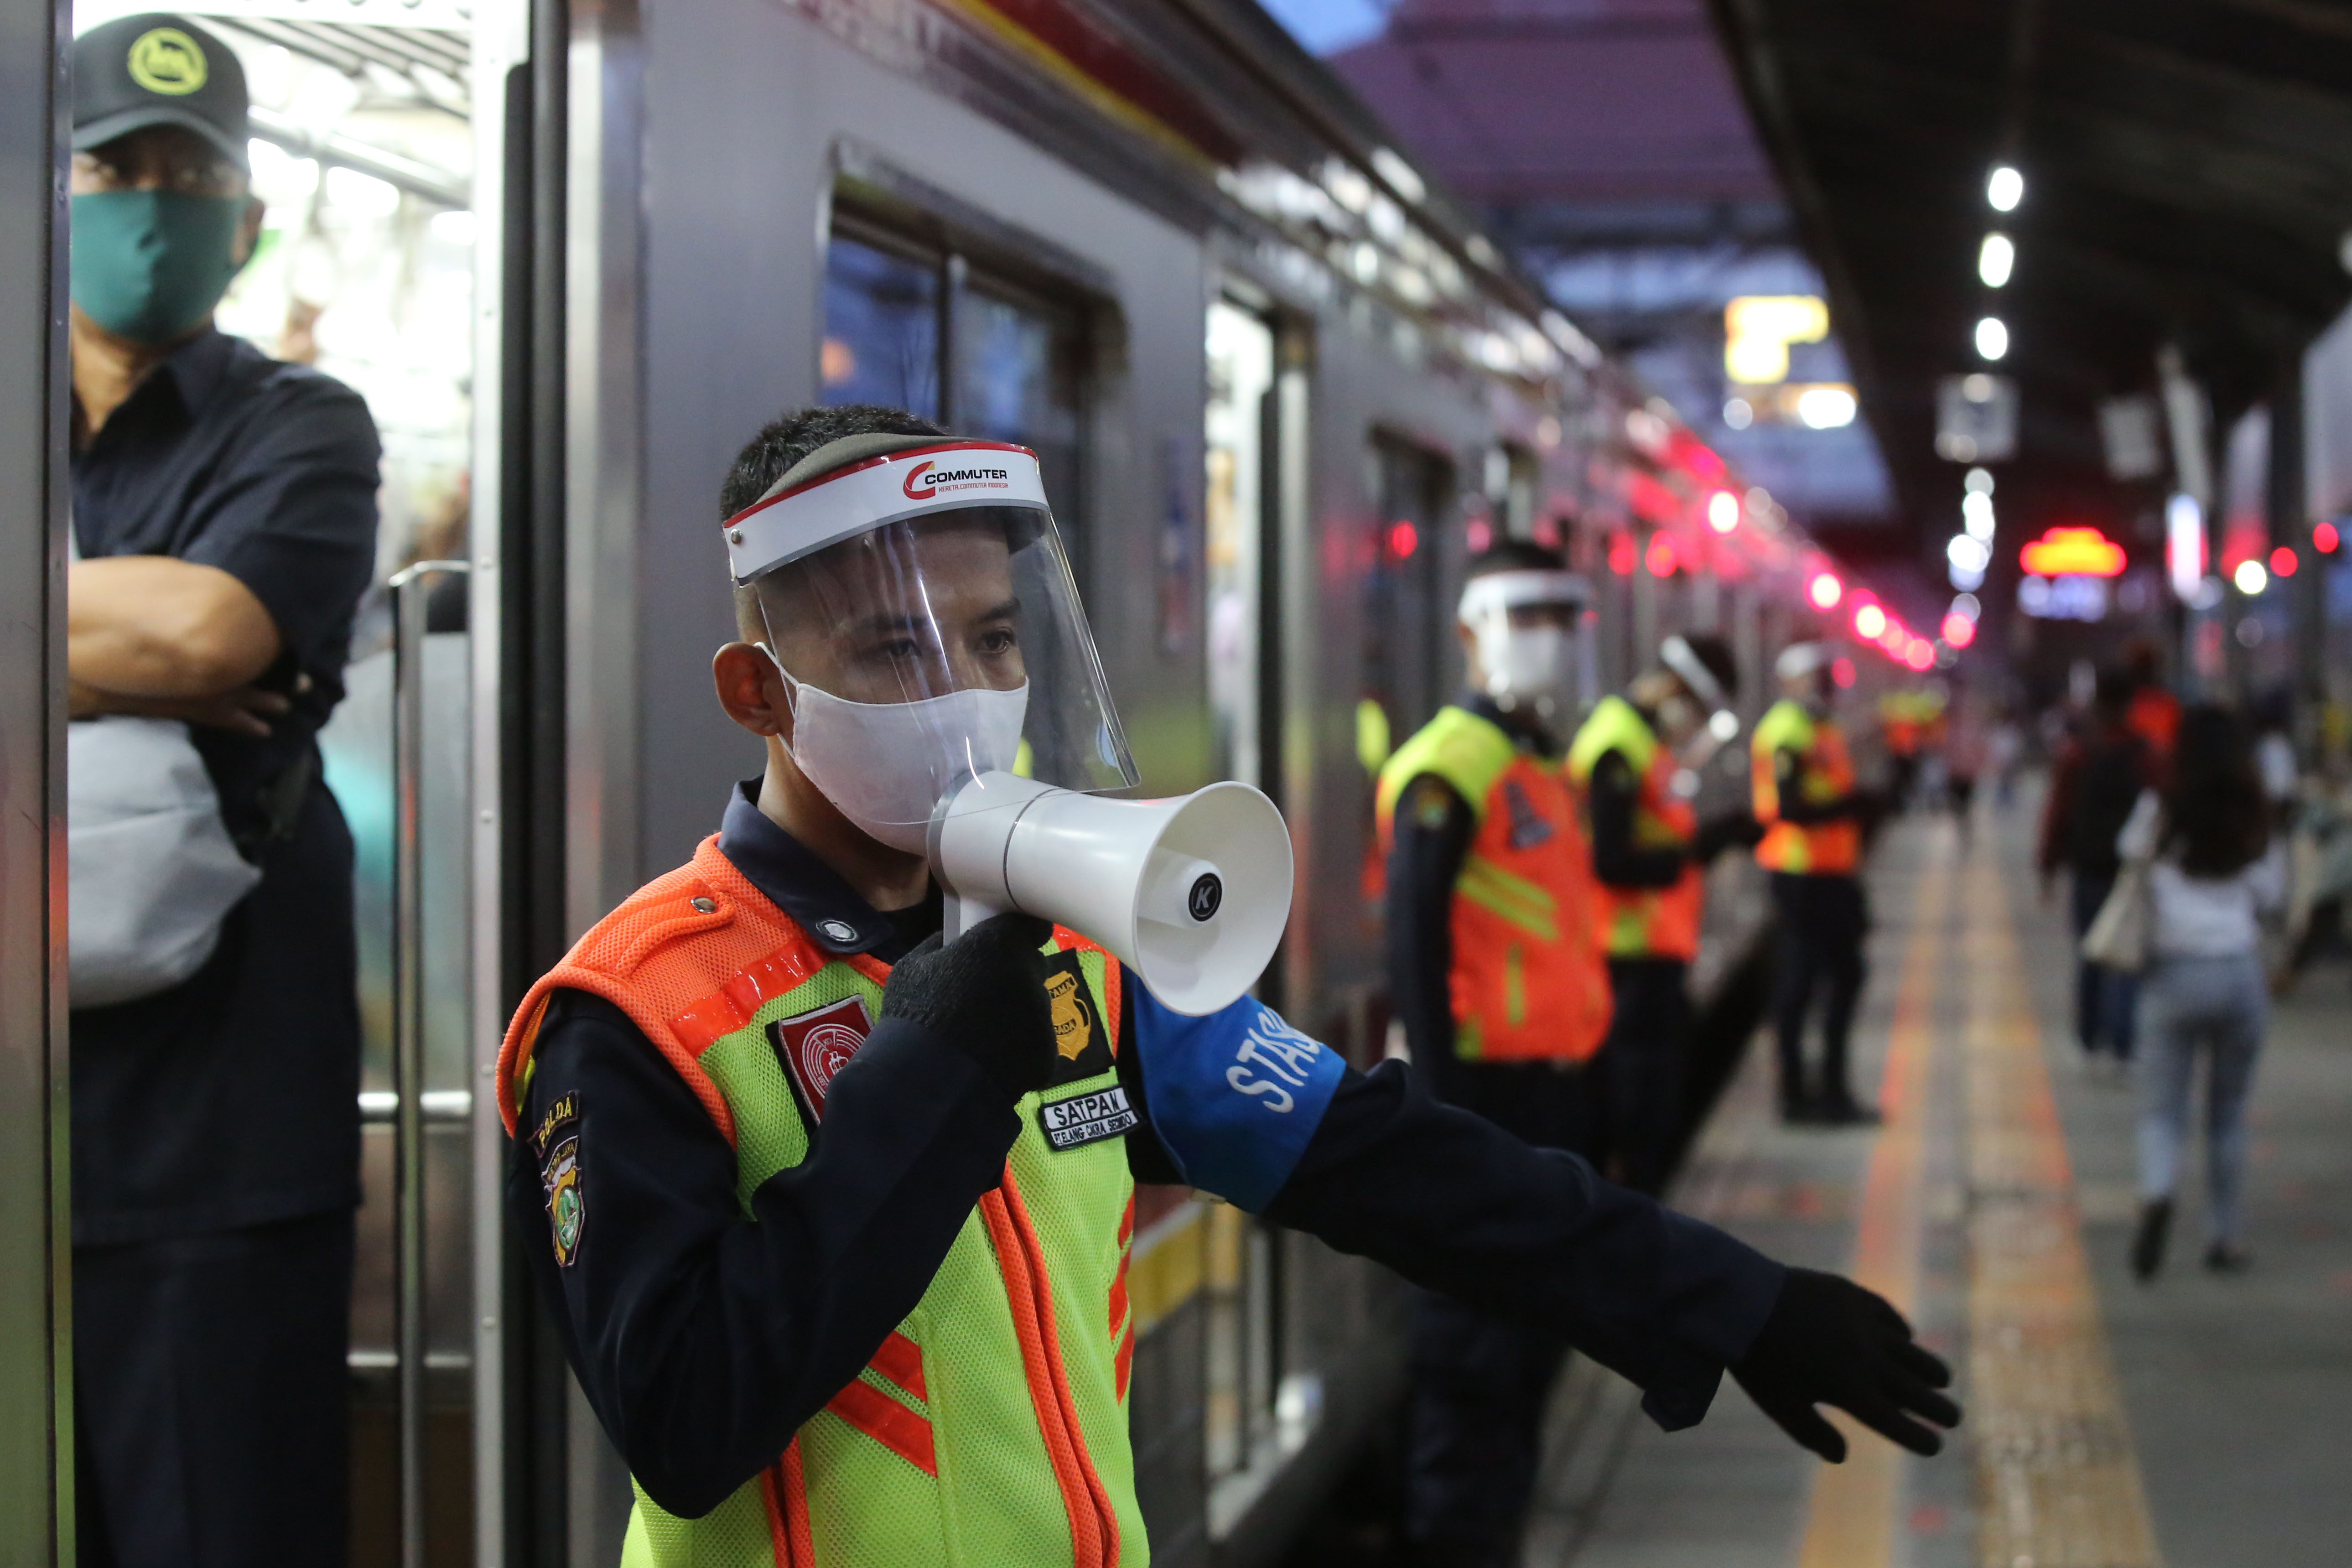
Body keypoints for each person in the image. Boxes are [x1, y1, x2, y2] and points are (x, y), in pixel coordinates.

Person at [498, 408, 1959, 1568]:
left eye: (994, 637)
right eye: (894, 646)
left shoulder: (1071, 956)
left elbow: (1379, 1158)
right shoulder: (638, 1014)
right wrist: (935, 1068)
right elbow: (684, 1416)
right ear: (756, 693)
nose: (966, 690)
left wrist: (1722, 1298)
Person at [64, 16, 382, 1567]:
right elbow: (164, 638)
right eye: (112, 166)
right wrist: (97, 652)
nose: (150, 204)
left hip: (219, 1146)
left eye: (189, 176)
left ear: (244, 219)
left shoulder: (301, 424)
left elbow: (208, 636)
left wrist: (153, 651)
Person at [1375, 544, 1610, 1563]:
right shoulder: (1449, 767)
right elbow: (1414, 953)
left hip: (1550, 1095)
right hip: (1484, 1099)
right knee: (1472, 1355)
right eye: (1527, 618)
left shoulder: (1538, 765)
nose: (1547, 641)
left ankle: (1495, 1536)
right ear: (1471, 633)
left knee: (1526, 1343)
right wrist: (1445, 1117)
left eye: (1563, 620)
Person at [1568, 632, 1759, 1194]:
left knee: (1652, 1094)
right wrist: (1699, 849)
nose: (1692, 722)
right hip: (1625, 951)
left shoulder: (1640, 743)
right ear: (1673, 688)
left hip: (1653, 946)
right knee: (1636, 1099)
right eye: (1695, 708)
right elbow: (1610, 860)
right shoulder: (1617, 747)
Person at [2118, 706, 2284, 1279]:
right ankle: (2224, 1237)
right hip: (2238, 973)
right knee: (2229, 1113)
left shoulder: (2160, 809)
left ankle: (2159, 1191)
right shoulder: (2253, 812)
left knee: (2162, 1110)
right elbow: (2271, 895)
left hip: (2174, 976)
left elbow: (2128, 856)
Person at [1751, 643, 1876, 1124]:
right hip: (1799, 874)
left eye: (1827, 676)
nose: (1825, 685)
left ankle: (1830, 1091)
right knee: (1801, 984)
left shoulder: (1820, 727)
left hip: (1830, 872)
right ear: (1791, 682)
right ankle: (1797, 1096)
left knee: (1843, 977)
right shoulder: (1787, 730)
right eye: (1815, 677)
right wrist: (1851, 807)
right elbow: (1791, 808)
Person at [2038, 668, 2152, 1070]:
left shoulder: (2079, 753)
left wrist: (2048, 866)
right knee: (2126, 951)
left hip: (2088, 866)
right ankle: (2123, 1044)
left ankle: (2089, 1039)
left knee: (2089, 950)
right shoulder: (2143, 754)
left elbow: (2058, 812)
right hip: (2131, 870)